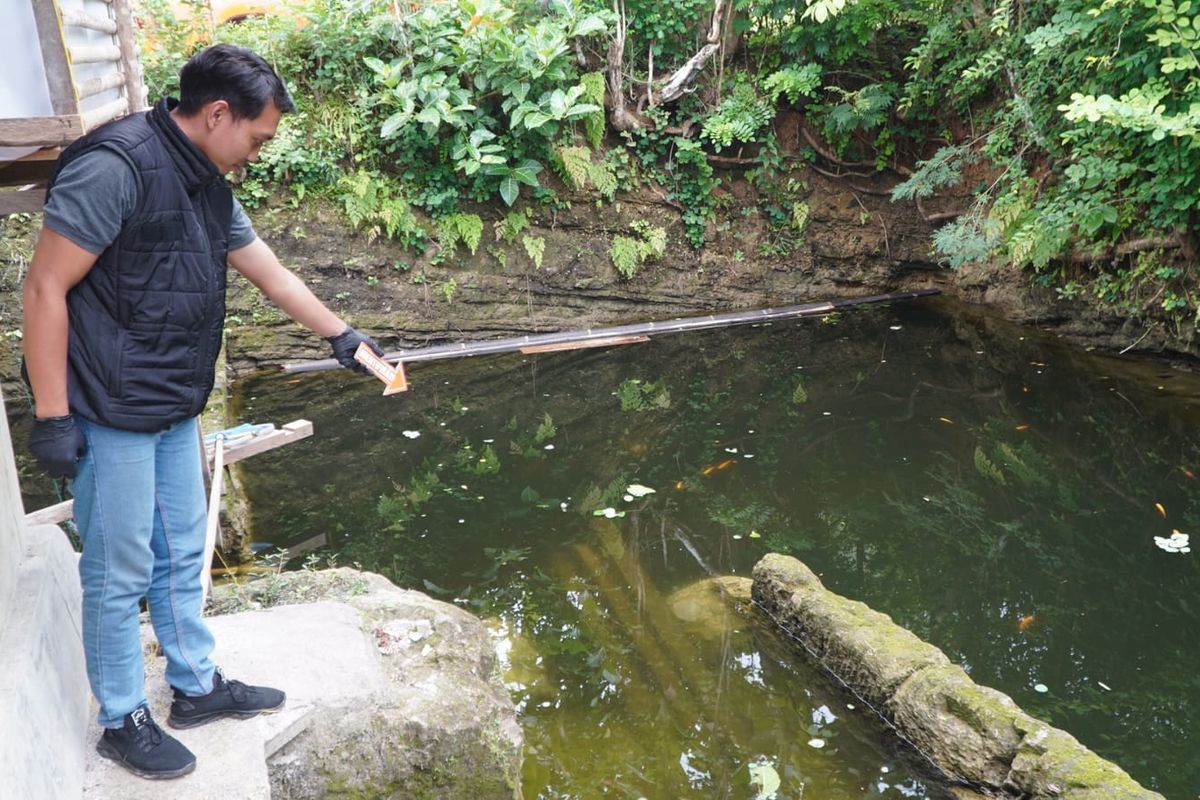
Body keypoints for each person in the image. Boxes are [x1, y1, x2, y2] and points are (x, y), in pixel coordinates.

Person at [21, 44, 382, 780]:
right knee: (120, 571)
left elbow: (271, 273)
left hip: (171, 405)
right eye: (256, 137)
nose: (257, 152)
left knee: (183, 555)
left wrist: (344, 337)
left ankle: (196, 686)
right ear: (219, 114)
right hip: (110, 409)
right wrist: (54, 416)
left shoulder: (207, 184)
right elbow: (43, 289)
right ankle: (122, 717)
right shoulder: (114, 167)